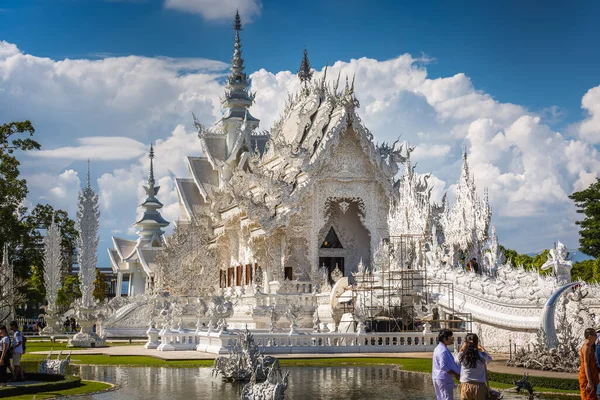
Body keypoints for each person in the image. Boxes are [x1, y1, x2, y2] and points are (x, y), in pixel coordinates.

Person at [456, 333, 492, 400]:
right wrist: (482, 349)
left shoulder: (462, 356)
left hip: (465, 385)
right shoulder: (482, 355)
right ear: (476, 343)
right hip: (479, 386)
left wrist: (462, 348)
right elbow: (490, 358)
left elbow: (456, 360)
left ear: (466, 343)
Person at [432, 329, 461, 400]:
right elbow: (444, 366)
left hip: (438, 377)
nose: (452, 339)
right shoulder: (443, 351)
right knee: (447, 398)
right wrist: (456, 374)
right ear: (445, 339)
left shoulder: (438, 348)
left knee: (440, 397)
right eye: (450, 338)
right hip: (443, 379)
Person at [579, 328, 599, 400]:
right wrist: (589, 382)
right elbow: (586, 364)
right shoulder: (586, 347)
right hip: (587, 377)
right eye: (595, 335)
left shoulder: (591, 346)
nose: (596, 336)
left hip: (593, 375)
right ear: (590, 336)